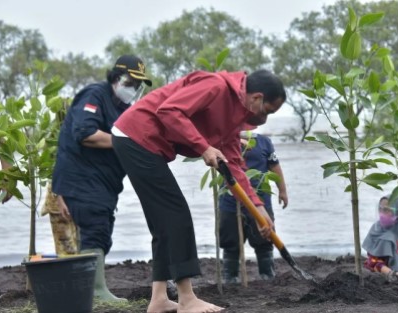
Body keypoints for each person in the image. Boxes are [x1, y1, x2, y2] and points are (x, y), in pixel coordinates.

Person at [111, 69, 286, 313]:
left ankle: (159, 299)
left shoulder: (234, 116)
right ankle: (187, 299)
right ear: (256, 98)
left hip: (141, 141)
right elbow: (169, 111)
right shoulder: (215, 86)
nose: (264, 119)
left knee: (164, 223)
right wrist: (204, 147)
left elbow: (233, 166)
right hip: (136, 135)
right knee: (176, 215)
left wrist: (257, 208)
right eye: (267, 111)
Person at [51, 55, 152, 302]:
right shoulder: (94, 95)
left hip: (104, 185)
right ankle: (95, 293)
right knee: (95, 229)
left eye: (139, 84)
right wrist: (126, 142)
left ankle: (88, 291)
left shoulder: (124, 109)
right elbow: (86, 134)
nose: (134, 88)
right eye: (131, 81)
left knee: (102, 230)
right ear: (117, 78)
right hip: (82, 179)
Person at [219, 132, 288, 283]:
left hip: (261, 199)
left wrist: (282, 190)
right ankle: (229, 277)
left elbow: (275, 166)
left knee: (264, 238)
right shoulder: (223, 138)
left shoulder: (264, 142)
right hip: (229, 200)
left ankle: (267, 275)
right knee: (230, 241)